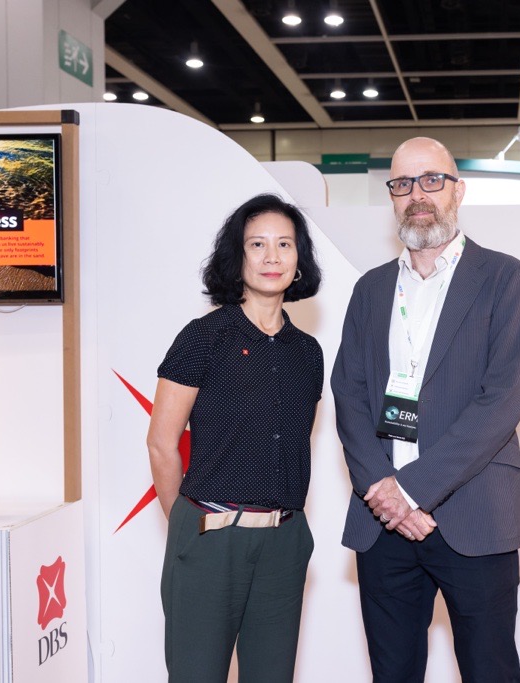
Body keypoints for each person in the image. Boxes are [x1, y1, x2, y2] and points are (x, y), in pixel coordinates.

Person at [331, 137, 520, 682]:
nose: (417, 195)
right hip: (382, 522)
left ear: (458, 190)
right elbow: (348, 393)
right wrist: (384, 492)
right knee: (392, 672)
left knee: (490, 670)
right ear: (392, 197)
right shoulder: (370, 289)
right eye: (402, 183)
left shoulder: (506, 278)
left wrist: (409, 491)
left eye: (431, 180)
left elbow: (502, 400)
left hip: (474, 514)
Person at [146, 194, 323, 683]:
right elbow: (161, 443)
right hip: (210, 536)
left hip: (285, 542)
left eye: (284, 244)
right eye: (257, 244)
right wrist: (189, 525)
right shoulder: (203, 337)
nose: (271, 257)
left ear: (299, 259)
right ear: (237, 256)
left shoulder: (308, 353)